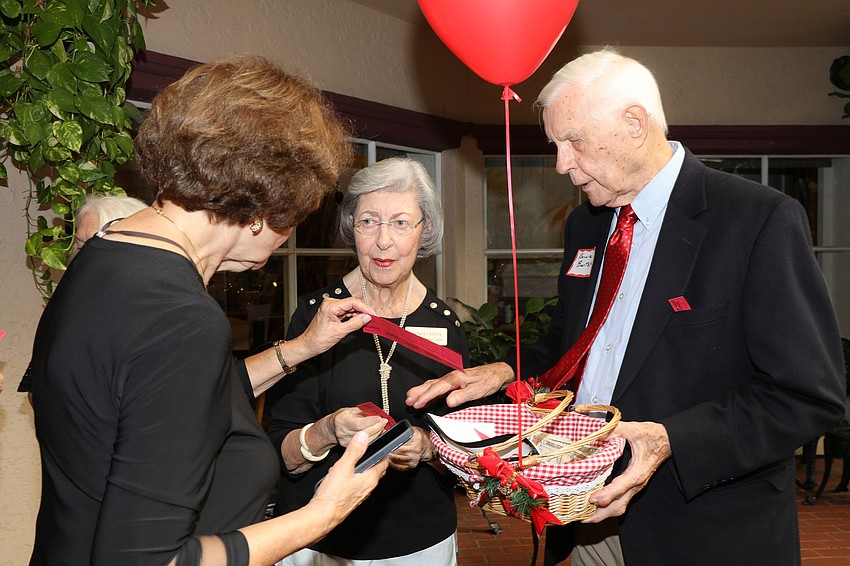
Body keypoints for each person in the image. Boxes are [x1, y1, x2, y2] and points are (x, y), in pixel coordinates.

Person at [406, 47, 847, 566]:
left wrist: (669, 441)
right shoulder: (586, 223)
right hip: (588, 520)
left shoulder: (757, 221)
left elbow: (807, 396)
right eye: (556, 145)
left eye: (573, 141)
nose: (561, 164)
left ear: (635, 124)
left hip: (703, 530)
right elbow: (574, 343)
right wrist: (500, 373)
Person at [30, 54, 387, 566]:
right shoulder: (183, 319)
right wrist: (321, 515)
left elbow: (159, 402)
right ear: (266, 210)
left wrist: (302, 349)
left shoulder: (104, 254)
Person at [265, 157, 469, 565]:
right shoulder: (315, 316)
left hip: (420, 541)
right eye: (368, 222)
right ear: (351, 228)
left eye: (400, 223)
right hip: (317, 539)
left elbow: (467, 454)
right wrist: (326, 431)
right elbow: (279, 452)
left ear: (424, 229)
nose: (383, 242)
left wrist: (428, 448)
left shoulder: (445, 325)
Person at [18, 194, 148, 401]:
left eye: (96, 244)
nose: (84, 255)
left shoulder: (155, 311)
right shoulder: (69, 304)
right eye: (80, 245)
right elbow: (37, 389)